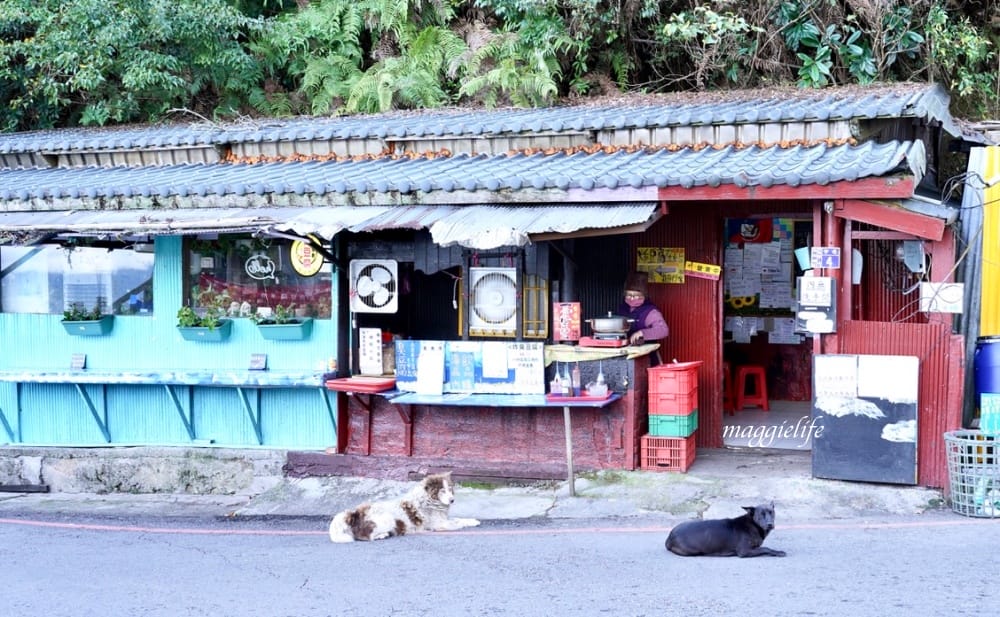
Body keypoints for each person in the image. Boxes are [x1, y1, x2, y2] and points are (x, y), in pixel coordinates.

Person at [617, 271, 669, 365]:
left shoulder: (650, 311)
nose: (632, 298)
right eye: (629, 295)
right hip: (624, 355)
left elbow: (663, 330)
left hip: (646, 359)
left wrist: (642, 333)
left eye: (636, 296)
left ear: (644, 295)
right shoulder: (622, 309)